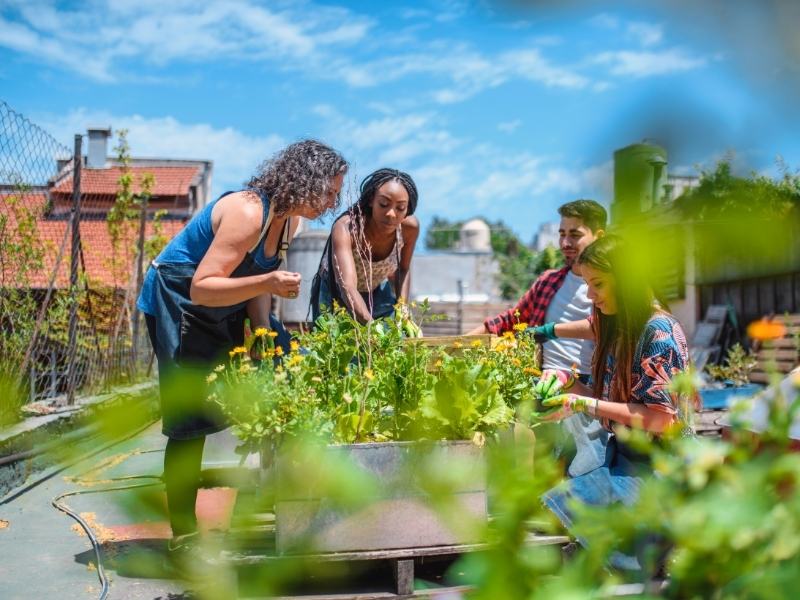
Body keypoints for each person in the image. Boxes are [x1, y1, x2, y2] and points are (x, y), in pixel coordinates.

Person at [136, 139, 347, 556]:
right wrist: (269, 285)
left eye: (337, 194)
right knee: (190, 419)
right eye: (328, 191)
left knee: (288, 370)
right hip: (180, 301)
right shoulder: (248, 212)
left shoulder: (290, 223)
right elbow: (202, 287)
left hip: (225, 303)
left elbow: (256, 287)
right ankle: (184, 535)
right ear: (305, 180)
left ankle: (272, 505)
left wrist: (263, 338)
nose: (332, 201)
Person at [540, 234, 695, 569]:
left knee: (607, 538)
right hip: (624, 451)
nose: (590, 296)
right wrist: (566, 384)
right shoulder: (619, 326)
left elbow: (660, 420)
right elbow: (604, 395)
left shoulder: (659, 333)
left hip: (662, 466)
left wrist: (581, 404)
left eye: (598, 284)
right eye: (587, 284)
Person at [469, 199, 609, 477]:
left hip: (586, 385)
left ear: (598, 236)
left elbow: (618, 325)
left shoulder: (608, 285)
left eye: (575, 234)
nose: (566, 242)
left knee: (564, 460)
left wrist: (550, 331)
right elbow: (510, 320)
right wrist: (459, 341)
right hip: (541, 381)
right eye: (562, 233)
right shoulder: (549, 281)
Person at [311, 168, 419, 323]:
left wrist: (403, 307)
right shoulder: (348, 228)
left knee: (397, 338)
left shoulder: (410, 228)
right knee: (333, 344)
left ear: (407, 210)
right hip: (336, 293)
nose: (391, 214)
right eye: (383, 204)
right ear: (371, 200)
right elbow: (347, 287)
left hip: (375, 290)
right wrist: (372, 329)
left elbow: (403, 269)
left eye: (400, 208)